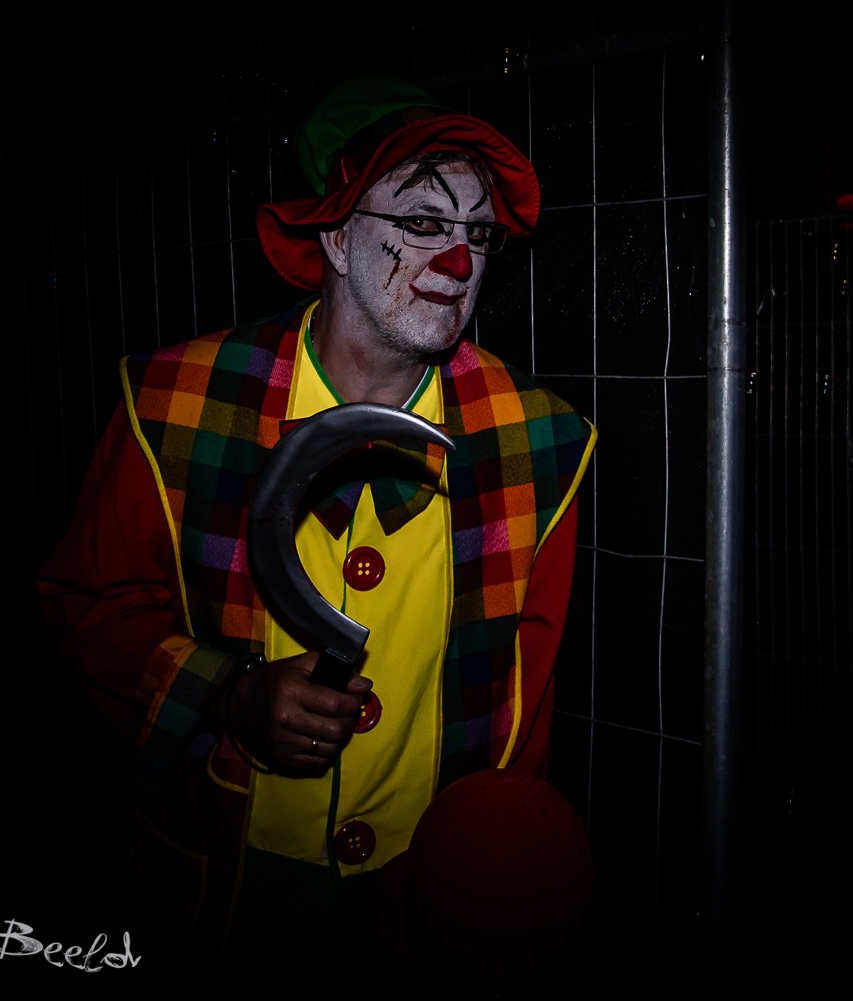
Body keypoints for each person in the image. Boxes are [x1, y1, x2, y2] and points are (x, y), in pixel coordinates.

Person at [37, 76, 595, 971]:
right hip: (228, 901)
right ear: (335, 235)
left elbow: (524, 706)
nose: (460, 262)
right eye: (422, 221)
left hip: (429, 901)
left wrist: (493, 873)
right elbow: (88, 609)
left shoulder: (540, 441)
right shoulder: (175, 403)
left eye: (478, 232)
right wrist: (225, 694)